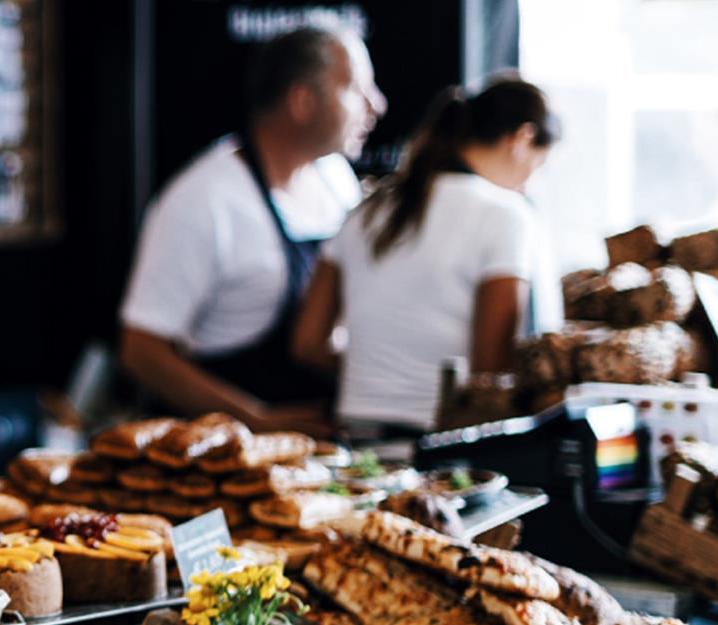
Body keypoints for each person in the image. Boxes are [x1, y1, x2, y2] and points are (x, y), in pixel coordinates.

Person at [119, 26, 387, 437]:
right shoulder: (203, 200)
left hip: (322, 444)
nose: (377, 105)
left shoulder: (335, 178)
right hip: (222, 456)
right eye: (356, 88)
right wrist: (252, 419)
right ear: (302, 101)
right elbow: (141, 351)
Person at [291, 77, 561, 433]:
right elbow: (490, 371)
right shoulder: (507, 215)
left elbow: (307, 344)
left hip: (356, 437)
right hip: (443, 446)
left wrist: (379, 369)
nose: (530, 182)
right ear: (523, 140)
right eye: (538, 166)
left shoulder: (366, 210)